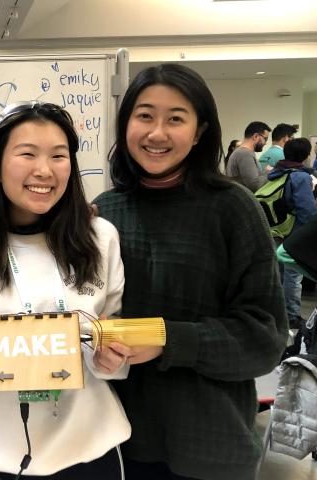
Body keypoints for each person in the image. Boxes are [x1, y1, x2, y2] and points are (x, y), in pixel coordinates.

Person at [94, 64, 287, 480]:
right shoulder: (103, 212)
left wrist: (165, 339)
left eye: (175, 119)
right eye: (144, 115)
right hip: (116, 443)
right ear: (126, 123)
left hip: (210, 445)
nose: (156, 133)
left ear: (199, 131)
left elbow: (265, 337)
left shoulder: (233, 208)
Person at [0, 102, 130, 479]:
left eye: (58, 155)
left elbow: (113, 342)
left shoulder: (100, 239)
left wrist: (111, 362)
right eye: (27, 154)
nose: (44, 170)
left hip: (90, 449)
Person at [267, 137, 317, 329]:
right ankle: (292, 315)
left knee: (278, 273)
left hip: (276, 228)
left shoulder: (277, 172)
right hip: (293, 230)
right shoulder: (301, 177)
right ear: (305, 156)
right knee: (293, 276)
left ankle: (278, 312)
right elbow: (306, 210)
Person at [225, 121, 271, 191]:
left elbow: (251, 178)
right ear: (255, 136)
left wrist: (265, 171)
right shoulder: (245, 154)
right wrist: (269, 172)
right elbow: (254, 185)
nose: (266, 143)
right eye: (265, 139)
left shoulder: (244, 153)